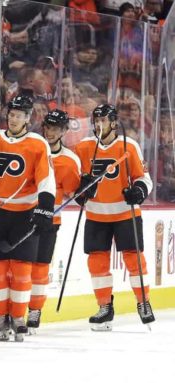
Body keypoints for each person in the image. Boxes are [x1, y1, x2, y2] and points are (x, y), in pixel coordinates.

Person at [0, 94, 55, 342]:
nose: (14, 118)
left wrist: (45, 206)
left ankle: (18, 316)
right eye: (11, 114)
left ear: (28, 118)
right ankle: (0, 317)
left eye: (19, 115)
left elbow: (45, 177)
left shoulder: (38, 143)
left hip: (24, 213)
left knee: (21, 269)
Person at [73, 104, 155, 331]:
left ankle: (143, 302)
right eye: (96, 120)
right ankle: (104, 307)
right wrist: (81, 191)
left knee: (134, 259)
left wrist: (138, 191)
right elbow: (75, 180)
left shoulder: (129, 146)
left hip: (124, 213)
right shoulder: (83, 147)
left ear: (114, 122)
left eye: (104, 120)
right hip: (96, 214)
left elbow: (144, 178)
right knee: (97, 262)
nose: (99, 124)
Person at [27, 110, 81, 333]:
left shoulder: (69, 160)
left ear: (64, 131)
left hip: (50, 220)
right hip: (23, 215)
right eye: (49, 127)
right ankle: (11, 310)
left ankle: (34, 310)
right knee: (18, 267)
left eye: (57, 128)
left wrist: (84, 187)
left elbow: (73, 193)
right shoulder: (32, 149)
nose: (51, 132)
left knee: (40, 267)